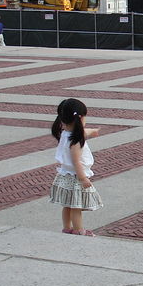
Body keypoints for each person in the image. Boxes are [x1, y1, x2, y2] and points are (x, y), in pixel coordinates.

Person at [49, 98, 103, 236]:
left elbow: (83, 132)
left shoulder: (65, 133)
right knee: (76, 206)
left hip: (64, 175)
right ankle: (79, 230)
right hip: (75, 177)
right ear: (80, 118)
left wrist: (93, 131)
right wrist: (83, 178)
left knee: (67, 204)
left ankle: (67, 227)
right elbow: (76, 162)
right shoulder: (76, 141)